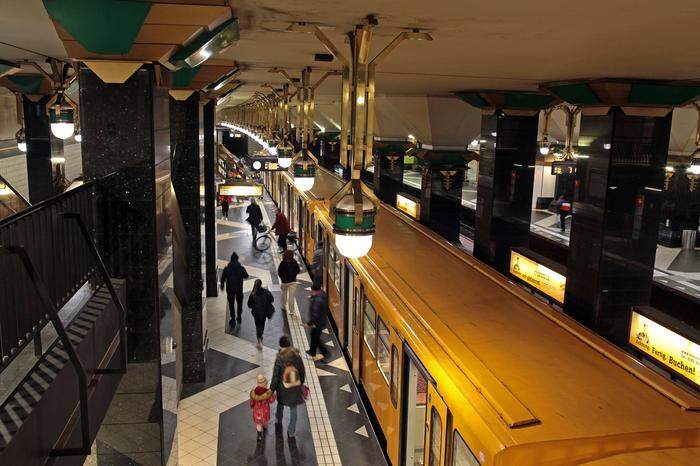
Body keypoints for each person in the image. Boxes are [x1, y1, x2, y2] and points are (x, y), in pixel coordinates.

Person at [270, 336, 305, 438]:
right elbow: (302, 371)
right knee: (293, 409)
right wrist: (300, 383)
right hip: (295, 386)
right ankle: (291, 431)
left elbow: (276, 375)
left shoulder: (280, 358)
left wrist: (272, 389)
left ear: (281, 345)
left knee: (280, 403)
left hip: (282, 387)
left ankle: (278, 419)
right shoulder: (297, 356)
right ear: (289, 344)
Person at [220, 252, 249, 327]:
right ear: (237, 259)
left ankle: (233, 319)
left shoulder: (227, 268)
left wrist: (222, 286)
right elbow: (246, 276)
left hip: (230, 290)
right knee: (239, 303)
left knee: (231, 304)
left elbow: (223, 278)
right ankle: (239, 316)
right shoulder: (241, 268)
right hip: (239, 289)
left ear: (231, 259)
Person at [247, 279, 275, 349]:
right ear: (261, 284)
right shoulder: (266, 292)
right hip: (264, 312)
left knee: (258, 325)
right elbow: (272, 299)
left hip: (256, 313)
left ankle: (259, 338)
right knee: (262, 324)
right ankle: (260, 336)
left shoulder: (253, 294)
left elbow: (249, 305)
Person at [306, 281, 329, 361]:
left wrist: (310, 322)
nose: (311, 292)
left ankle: (324, 352)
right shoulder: (322, 294)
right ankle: (312, 351)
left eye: (312, 291)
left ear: (315, 291)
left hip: (318, 322)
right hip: (321, 320)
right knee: (314, 335)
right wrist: (312, 298)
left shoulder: (318, 300)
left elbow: (315, 313)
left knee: (315, 336)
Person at [249, 373, 275, 442]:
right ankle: (264, 426)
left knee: (258, 424)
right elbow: (271, 400)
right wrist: (272, 394)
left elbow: (251, 402)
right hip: (265, 411)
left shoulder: (254, 393)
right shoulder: (267, 393)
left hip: (256, 412)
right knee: (264, 420)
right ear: (265, 384)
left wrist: (252, 405)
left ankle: (259, 436)